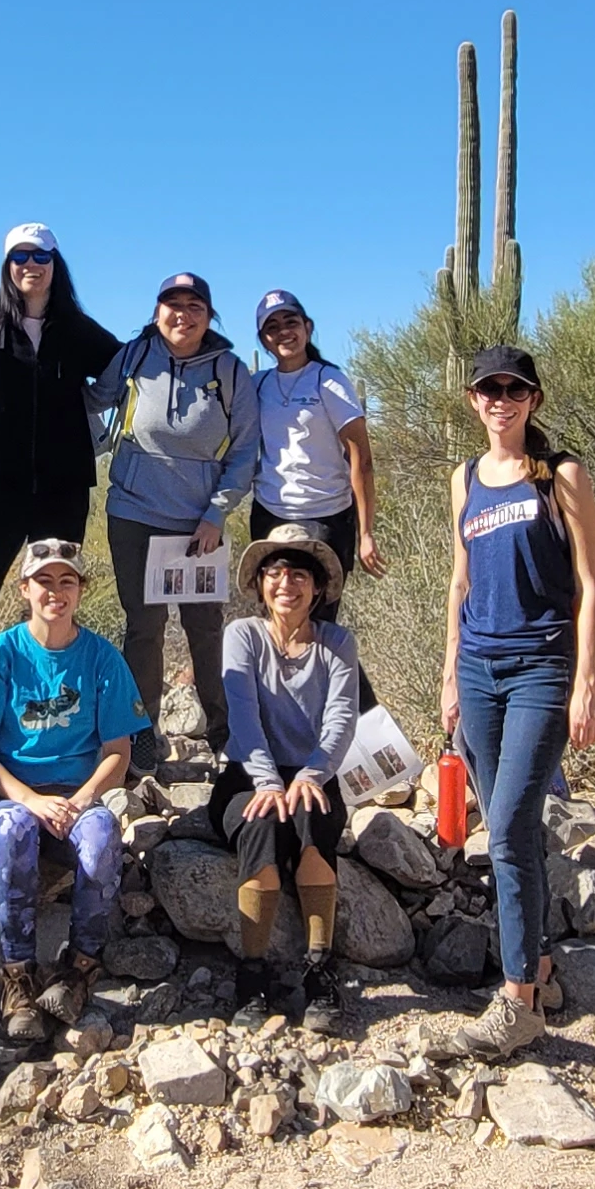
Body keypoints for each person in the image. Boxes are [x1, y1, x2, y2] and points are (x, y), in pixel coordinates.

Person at [440, 343, 595, 1059]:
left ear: (533, 399)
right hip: (478, 669)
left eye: (514, 388)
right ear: (474, 400)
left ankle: (515, 1005)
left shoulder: (561, 475)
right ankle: (538, 967)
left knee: (506, 827)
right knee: (515, 832)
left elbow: (591, 584)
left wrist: (586, 685)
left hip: (541, 668)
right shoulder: (464, 480)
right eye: (488, 389)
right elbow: (460, 582)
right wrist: (448, 673)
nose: (500, 399)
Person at [0, 538, 144, 1050]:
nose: (56, 591)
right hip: (10, 797)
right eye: (44, 581)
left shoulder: (101, 658)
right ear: (25, 589)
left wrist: (85, 798)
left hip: (75, 798)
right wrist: (29, 799)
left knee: (101, 837)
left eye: (66, 581)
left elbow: (118, 751)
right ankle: (18, 976)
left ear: (80, 591)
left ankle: (79, 969)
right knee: (13, 829)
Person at [0, 226, 121, 744]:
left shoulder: (78, 330)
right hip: (1, 486)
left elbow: (129, 367)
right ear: (7, 266)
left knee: (55, 599)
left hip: (64, 486)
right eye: (19, 256)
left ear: (56, 266)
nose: (30, 265)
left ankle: (56, 717)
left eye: (40, 256)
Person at [89, 272, 257, 773]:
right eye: (172, 305)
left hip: (198, 526)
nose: (182, 315)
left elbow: (246, 447)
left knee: (205, 626)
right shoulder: (136, 357)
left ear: (209, 315)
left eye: (194, 306)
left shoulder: (229, 370)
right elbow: (95, 400)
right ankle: (143, 731)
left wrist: (216, 513)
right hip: (134, 513)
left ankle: (223, 730)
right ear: (157, 311)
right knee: (144, 626)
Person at [214, 523, 360, 1032]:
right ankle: (251, 972)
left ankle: (319, 968)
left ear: (318, 588)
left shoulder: (337, 643)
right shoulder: (243, 636)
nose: (286, 584)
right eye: (275, 572)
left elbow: (342, 719)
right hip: (248, 772)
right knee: (260, 827)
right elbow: (244, 716)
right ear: (260, 584)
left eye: (299, 574)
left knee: (311, 824)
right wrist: (268, 781)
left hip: (312, 775)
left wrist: (314, 774)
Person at [245, 288, 383, 578]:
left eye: (291, 322)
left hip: (325, 518)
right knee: (277, 613)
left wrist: (366, 533)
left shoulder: (330, 382)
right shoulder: (257, 385)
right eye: (272, 327)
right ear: (263, 340)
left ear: (307, 327)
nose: (283, 332)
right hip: (270, 515)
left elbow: (361, 459)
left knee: (319, 617)